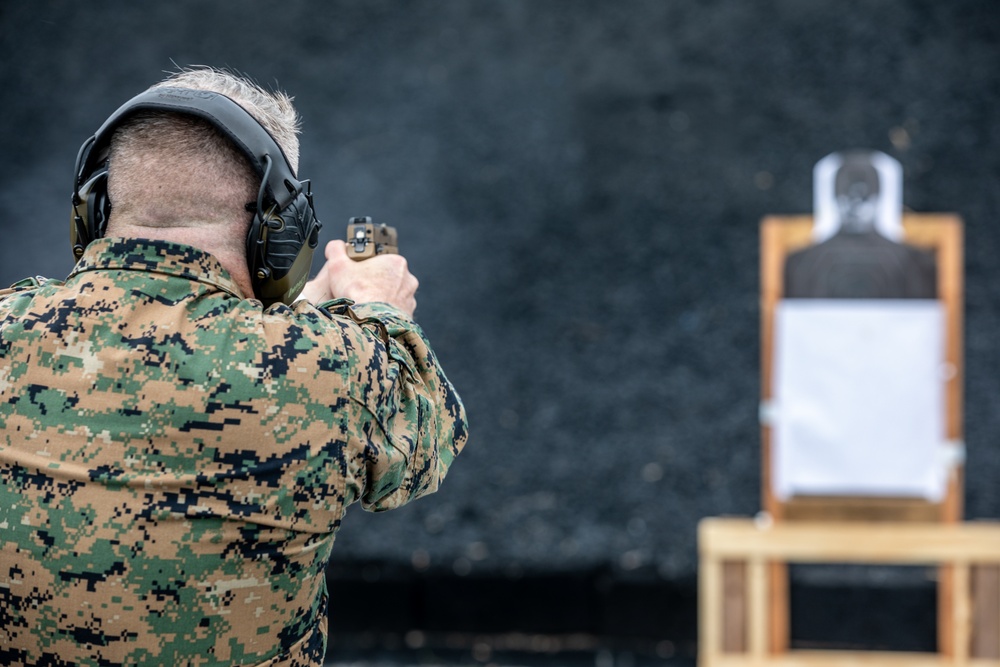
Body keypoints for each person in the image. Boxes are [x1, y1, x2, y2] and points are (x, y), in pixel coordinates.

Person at [0, 67, 468, 667]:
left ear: (93, 207)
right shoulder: (331, 369)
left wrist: (299, 325)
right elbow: (423, 451)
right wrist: (375, 312)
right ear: (280, 227)